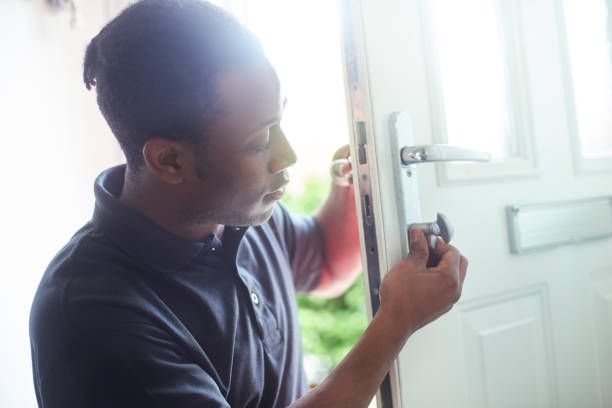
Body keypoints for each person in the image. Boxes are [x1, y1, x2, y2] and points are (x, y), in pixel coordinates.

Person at [29, 1, 468, 407]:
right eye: (260, 141)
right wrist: (397, 321)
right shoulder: (96, 318)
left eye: (280, 119)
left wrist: (355, 183)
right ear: (170, 160)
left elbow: (323, 263)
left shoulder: (235, 211)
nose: (288, 155)